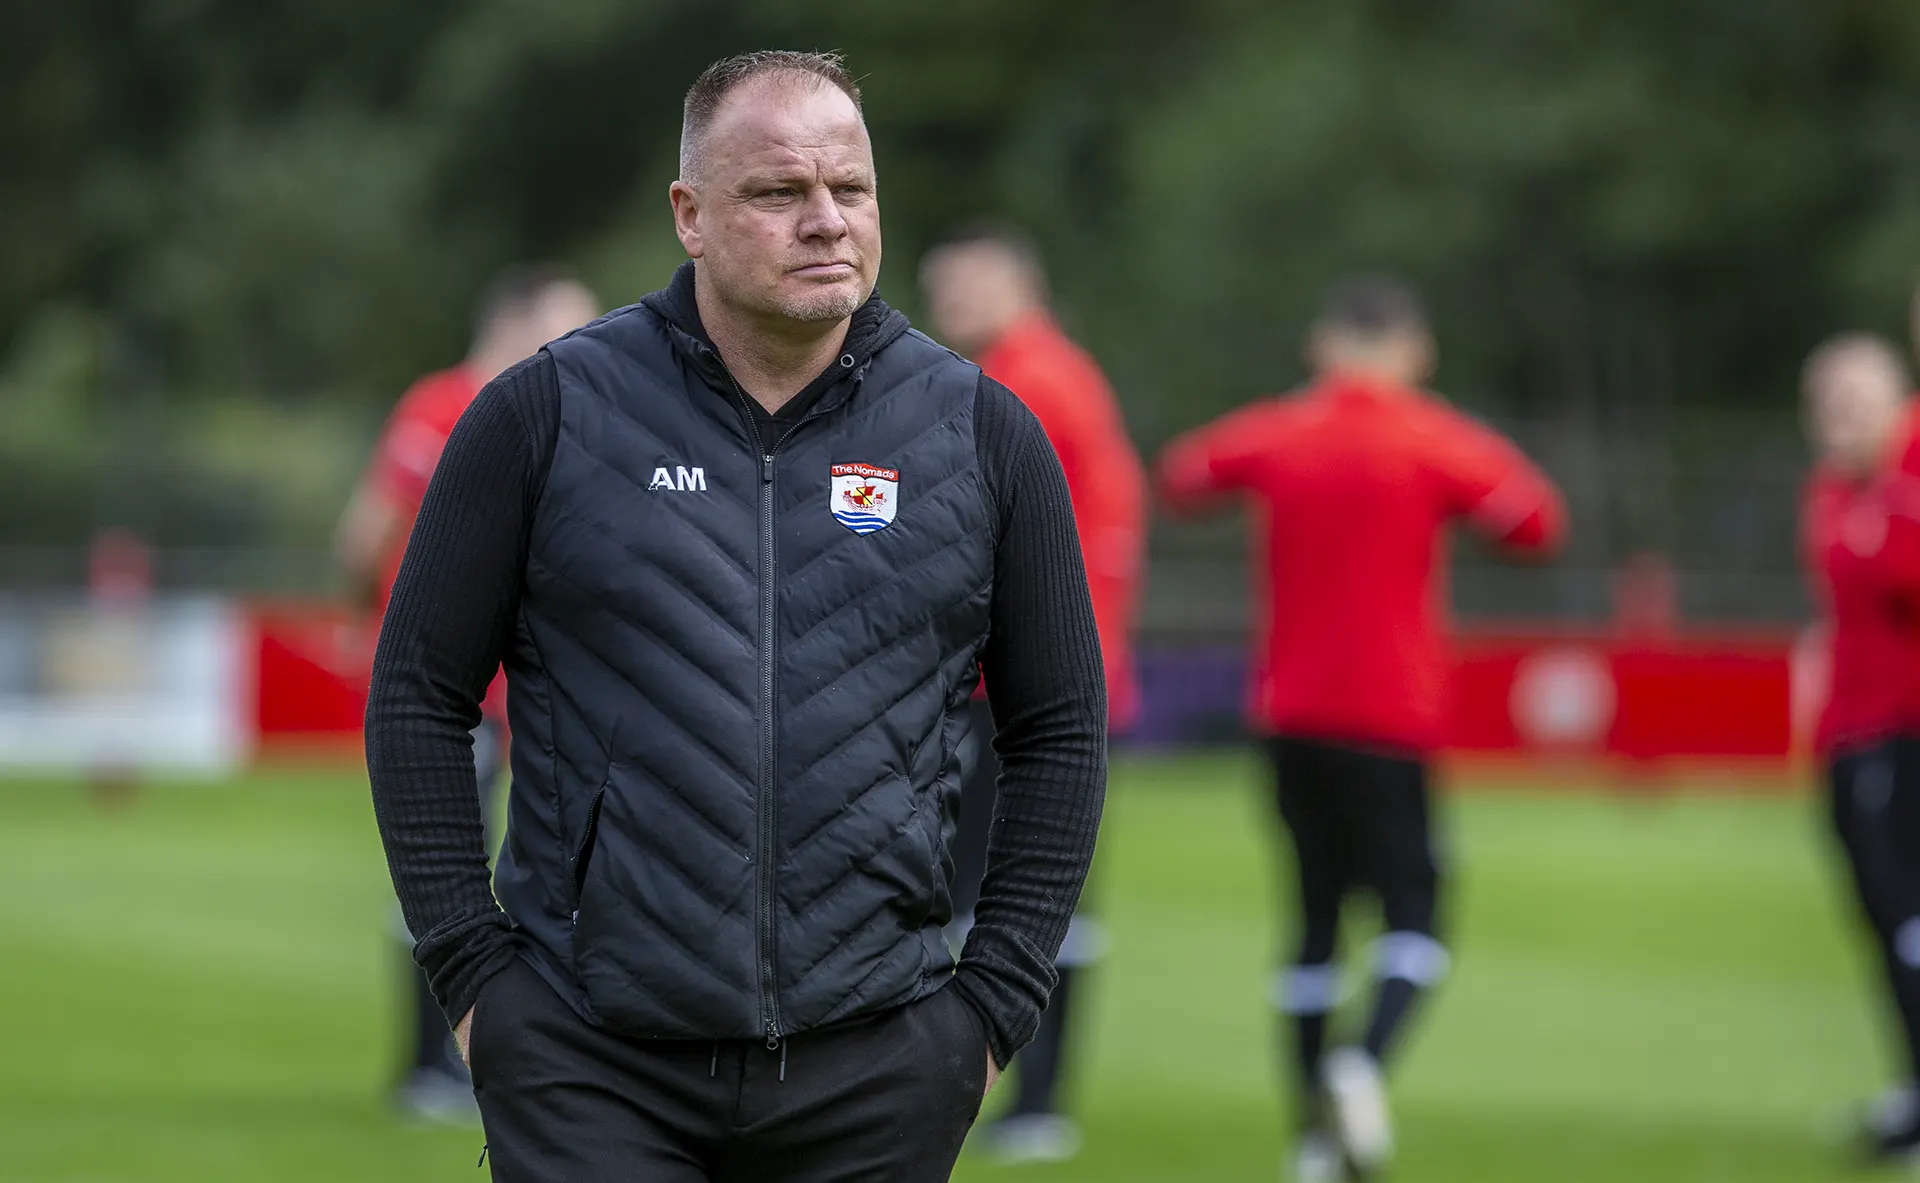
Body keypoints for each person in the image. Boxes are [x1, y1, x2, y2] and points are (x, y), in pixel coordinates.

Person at [365, 50, 1106, 1183]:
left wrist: (993, 1004)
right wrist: (476, 980)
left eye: (849, 190)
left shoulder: (984, 434)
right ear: (691, 215)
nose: (824, 221)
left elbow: (1058, 729)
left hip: (879, 1067)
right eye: (778, 192)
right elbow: (417, 695)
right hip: (587, 1059)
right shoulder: (544, 414)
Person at [1156, 277, 1567, 1181]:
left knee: (1311, 921)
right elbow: (1537, 522)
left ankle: (1312, 1139)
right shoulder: (1431, 436)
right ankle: (1361, 1061)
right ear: (1414, 351)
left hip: (1291, 712)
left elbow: (1183, 477)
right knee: (1415, 912)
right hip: (1391, 714)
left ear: (1321, 346)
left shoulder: (1280, 429)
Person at [338, 265, 598, 1122]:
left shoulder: (546, 410)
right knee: (449, 866)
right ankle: (427, 1067)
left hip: (517, 691)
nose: (580, 344)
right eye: (567, 324)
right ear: (518, 321)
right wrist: (366, 619)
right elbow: (366, 529)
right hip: (455, 692)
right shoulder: (447, 404)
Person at [920, 223, 1145, 1163]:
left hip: (1016, 687)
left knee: (989, 890)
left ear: (1022, 285)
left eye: (970, 285)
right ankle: (1032, 1098)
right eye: (943, 287)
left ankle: (1018, 1093)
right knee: (1037, 890)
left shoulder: (1023, 384)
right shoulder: (1060, 376)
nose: (950, 304)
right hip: (1056, 680)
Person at [1799, 333, 1920, 1163]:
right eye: (1829, 403)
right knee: (1883, 921)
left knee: (1908, 915)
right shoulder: (1837, 490)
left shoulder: (1901, 482)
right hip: (1850, 733)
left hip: (1903, 731)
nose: (1842, 419)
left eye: (1859, 401)